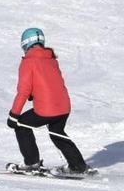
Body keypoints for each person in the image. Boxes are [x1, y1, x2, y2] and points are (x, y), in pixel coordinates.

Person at [7, 28, 91, 175]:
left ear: (25, 44)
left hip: (46, 109)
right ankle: (78, 165)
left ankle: (31, 163)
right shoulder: (51, 60)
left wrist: (13, 115)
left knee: (20, 124)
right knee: (57, 132)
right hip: (64, 107)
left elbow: (23, 92)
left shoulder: (28, 62)